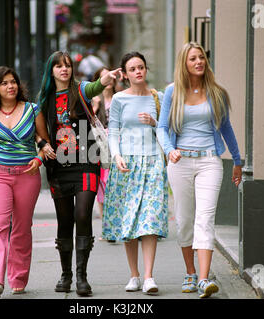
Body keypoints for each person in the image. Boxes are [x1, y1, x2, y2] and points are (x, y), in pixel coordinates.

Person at [157, 42, 242, 298]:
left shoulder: (217, 93)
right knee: (184, 221)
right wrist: (169, 149)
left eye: (202, 57)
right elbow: (162, 127)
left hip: (210, 162)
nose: (199, 62)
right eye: (193, 58)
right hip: (180, 161)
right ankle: (190, 272)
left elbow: (226, 128)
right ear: (185, 63)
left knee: (205, 219)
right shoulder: (173, 92)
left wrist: (237, 160)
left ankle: (204, 280)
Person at [35, 51, 121, 296]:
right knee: (64, 220)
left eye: (68, 66)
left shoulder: (80, 90)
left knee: (82, 214)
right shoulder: (44, 98)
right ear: (51, 71)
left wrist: (107, 78)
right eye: (59, 66)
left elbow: (96, 86)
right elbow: (38, 131)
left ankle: (82, 277)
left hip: (87, 161)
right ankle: (66, 275)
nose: (64, 70)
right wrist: (43, 145)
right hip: (59, 165)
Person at [101, 52, 169, 295]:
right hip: (127, 163)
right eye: (133, 69)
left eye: (141, 67)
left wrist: (154, 122)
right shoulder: (119, 99)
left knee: (149, 220)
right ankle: (134, 275)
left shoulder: (158, 97)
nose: (138, 71)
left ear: (146, 70)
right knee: (128, 219)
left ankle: (149, 276)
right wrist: (117, 156)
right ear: (126, 74)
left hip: (152, 163)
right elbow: (113, 131)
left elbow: (166, 130)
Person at [0, 66, 44, 298]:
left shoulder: (33, 110)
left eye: (13, 81)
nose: (10, 86)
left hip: (27, 175)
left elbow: (44, 142)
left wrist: (39, 158)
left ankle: (18, 279)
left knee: (22, 228)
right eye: (4, 83)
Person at [90, 67, 115, 232]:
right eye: (103, 77)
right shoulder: (93, 100)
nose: (107, 80)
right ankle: (106, 226)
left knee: (114, 184)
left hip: (116, 145)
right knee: (101, 185)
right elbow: (87, 123)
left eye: (109, 76)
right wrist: (96, 106)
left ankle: (116, 224)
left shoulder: (120, 97)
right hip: (99, 147)